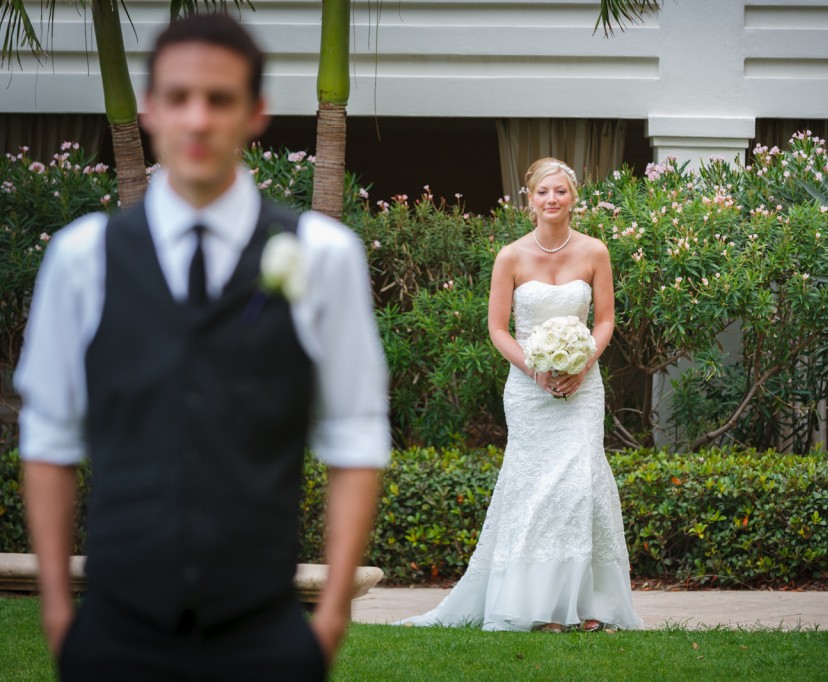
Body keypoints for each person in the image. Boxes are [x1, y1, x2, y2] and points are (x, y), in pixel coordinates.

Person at [15, 14, 389, 680]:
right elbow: (49, 439)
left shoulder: (322, 256)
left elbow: (355, 436)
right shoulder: (82, 258)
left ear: (256, 113)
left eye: (219, 100)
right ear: (150, 109)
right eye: (178, 97)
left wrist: (328, 622)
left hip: (264, 635)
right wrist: (56, 616)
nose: (197, 120)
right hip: (114, 632)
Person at [400, 158, 642, 632]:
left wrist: (583, 360)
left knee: (579, 488)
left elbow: (606, 320)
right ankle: (537, 608)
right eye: (543, 193)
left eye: (561, 191)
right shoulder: (510, 256)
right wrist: (535, 369)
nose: (552, 200)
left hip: (582, 386)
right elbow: (497, 328)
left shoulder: (595, 251)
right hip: (529, 389)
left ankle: (586, 606)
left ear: (574, 197)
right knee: (535, 491)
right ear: (529, 200)